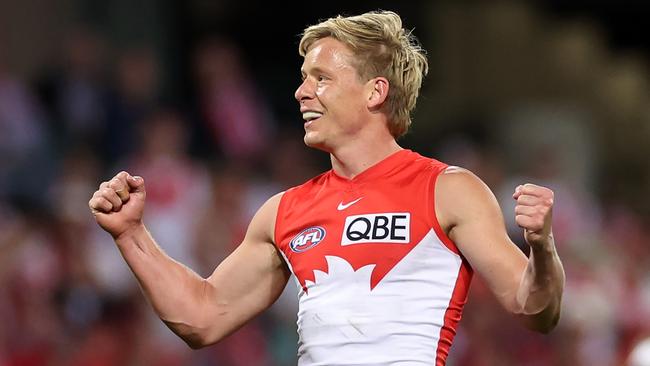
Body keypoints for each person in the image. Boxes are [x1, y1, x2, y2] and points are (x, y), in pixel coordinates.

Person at [89, 10, 565, 365]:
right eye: (303, 80)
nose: (301, 92)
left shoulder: (448, 190)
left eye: (321, 79)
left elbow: (534, 309)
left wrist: (541, 247)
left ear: (375, 92)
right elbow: (202, 317)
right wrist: (130, 235)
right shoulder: (284, 210)